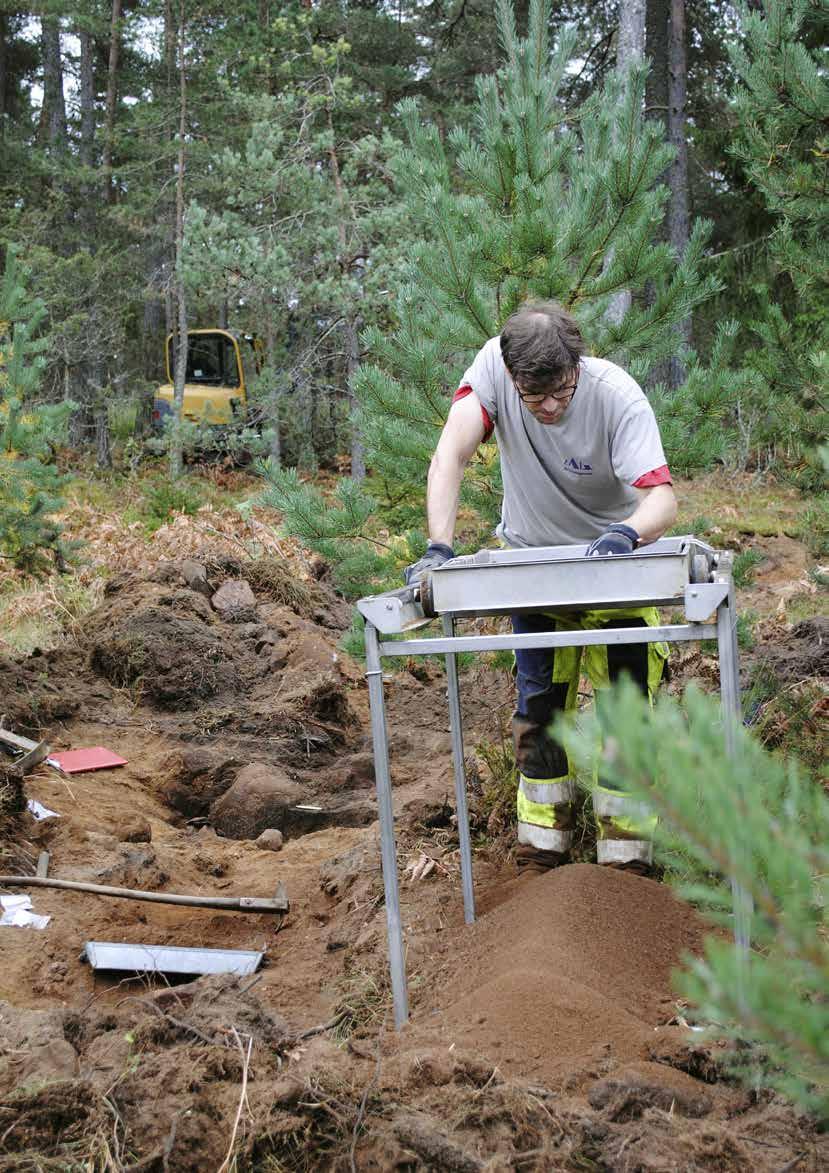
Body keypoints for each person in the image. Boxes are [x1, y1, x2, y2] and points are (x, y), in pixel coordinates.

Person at [405, 300, 677, 872]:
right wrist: (438, 548)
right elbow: (450, 454)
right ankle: (542, 853)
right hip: (537, 575)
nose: (550, 407)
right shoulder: (491, 373)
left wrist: (627, 534)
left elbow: (663, 499)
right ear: (512, 378)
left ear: (576, 366)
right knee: (539, 713)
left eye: (561, 391)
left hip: (615, 578)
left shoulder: (615, 395)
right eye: (535, 397)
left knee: (624, 717)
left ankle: (627, 860)